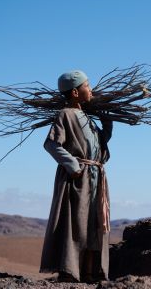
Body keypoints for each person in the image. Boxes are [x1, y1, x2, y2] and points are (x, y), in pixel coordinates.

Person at [40, 70, 113, 283]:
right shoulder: (66, 114)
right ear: (74, 92)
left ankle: (91, 272)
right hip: (77, 180)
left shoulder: (86, 117)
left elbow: (98, 146)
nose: (91, 90)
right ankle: (71, 271)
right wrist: (72, 165)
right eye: (87, 86)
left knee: (93, 223)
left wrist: (107, 126)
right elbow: (51, 144)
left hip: (95, 179)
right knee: (76, 225)